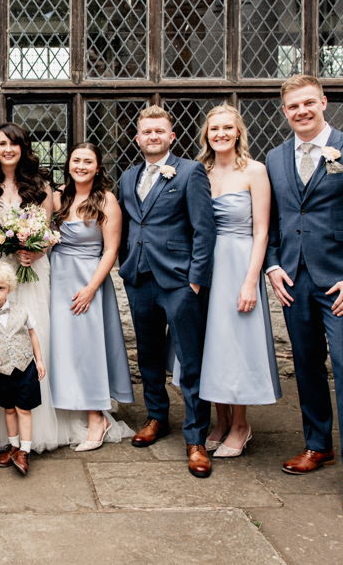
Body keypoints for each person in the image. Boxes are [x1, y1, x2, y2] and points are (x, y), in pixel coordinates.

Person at [264, 75, 343, 517]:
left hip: (342, 283)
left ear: (323, 102)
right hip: (294, 280)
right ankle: (318, 446)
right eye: (293, 106)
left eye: (308, 103)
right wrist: (273, 265)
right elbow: (276, 219)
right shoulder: (275, 158)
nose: (301, 111)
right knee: (306, 365)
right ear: (284, 111)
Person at [0, 123, 96, 452]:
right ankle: (3, 429)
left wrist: (36, 249)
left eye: (14, 143)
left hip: (31, 271)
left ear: (23, 147)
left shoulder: (40, 184)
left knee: (31, 335)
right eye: (2, 144)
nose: (8, 149)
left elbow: (50, 230)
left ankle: (36, 428)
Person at [118, 105, 217, 478]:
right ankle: (156, 417)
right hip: (140, 279)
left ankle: (195, 438)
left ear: (171, 136)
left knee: (190, 360)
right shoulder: (128, 177)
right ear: (138, 137)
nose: (153, 136)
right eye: (146, 131)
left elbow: (205, 230)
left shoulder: (191, 172)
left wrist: (195, 279)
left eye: (160, 131)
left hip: (179, 281)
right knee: (148, 355)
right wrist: (127, 268)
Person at [194, 106, 281, 458]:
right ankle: (221, 418)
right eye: (214, 128)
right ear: (206, 135)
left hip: (239, 263)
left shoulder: (255, 171)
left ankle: (241, 423)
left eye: (228, 127)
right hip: (206, 265)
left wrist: (250, 282)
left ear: (238, 132)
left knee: (236, 343)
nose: (221, 134)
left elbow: (262, 231)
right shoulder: (200, 172)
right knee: (209, 343)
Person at [49, 143, 134, 452]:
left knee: (87, 349)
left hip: (88, 282)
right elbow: (44, 237)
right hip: (56, 280)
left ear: (98, 167)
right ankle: (69, 408)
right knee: (62, 347)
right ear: (68, 165)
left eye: (88, 161)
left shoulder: (106, 201)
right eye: (76, 161)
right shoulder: (58, 197)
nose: (81, 166)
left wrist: (91, 288)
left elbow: (111, 250)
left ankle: (97, 418)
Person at [0, 260, 46, 475]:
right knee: (8, 409)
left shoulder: (22, 310)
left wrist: (40, 360)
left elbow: (33, 335)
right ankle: (13, 445)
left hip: (25, 368)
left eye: (0, 288)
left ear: (9, 288)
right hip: (1, 370)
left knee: (23, 409)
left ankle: (25, 450)